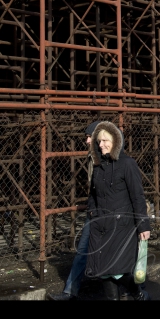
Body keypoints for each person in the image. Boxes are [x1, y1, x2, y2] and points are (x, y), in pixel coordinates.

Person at [84, 122, 151, 300]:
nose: (101, 145)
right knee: (104, 270)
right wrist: (92, 213)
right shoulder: (98, 166)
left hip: (122, 225)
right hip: (101, 225)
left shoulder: (127, 164)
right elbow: (93, 194)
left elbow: (138, 196)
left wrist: (143, 225)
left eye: (105, 140)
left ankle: (138, 294)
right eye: (98, 141)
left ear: (116, 141)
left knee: (119, 270)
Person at [48, 121, 101, 301]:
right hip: (94, 210)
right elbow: (93, 187)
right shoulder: (91, 156)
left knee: (115, 250)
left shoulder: (111, 157)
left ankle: (134, 289)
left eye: (89, 137)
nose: (86, 141)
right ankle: (70, 291)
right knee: (83, 250)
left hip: (109, 211)